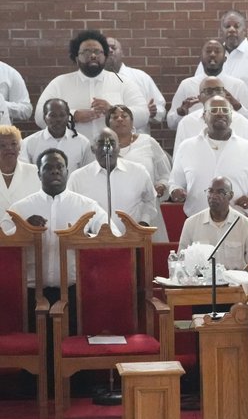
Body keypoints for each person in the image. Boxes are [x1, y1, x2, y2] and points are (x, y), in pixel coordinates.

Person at [7, 148, 107, 297]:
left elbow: (111, 236)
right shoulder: (19, 208)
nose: (55, 171)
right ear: (39, 174)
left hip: (75, 292)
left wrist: (84, 237)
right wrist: (23, 229)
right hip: (29, 294)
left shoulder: (88, 207)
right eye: (48, 167)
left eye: (59, 167)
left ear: (67, 171)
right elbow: (3, 243)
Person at [168, 97, 248, 216]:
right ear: (204, 116)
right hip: (197, 223)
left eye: (225, 110)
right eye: (214, 110)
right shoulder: (186, 147)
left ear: (231, 117)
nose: (220, 113)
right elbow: (175, 183)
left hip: (237, 222)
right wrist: (176, 192)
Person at [37, 30, 146, 140]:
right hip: (73, 152)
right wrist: (73, 116)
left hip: (115, 151)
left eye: (98, 52)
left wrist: (113, 111)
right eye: (86, 52)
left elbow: (144, 115)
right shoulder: (60, 83)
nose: (93, 56)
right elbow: (39, 117)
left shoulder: (123, 82)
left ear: (105, 56)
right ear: (76, 57)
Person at [68, 127, 161, 239]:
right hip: (90, 243)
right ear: (93, 148)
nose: (107, 148)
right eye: (100, 143)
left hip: (132, 241)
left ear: (119, 147)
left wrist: (143, 224)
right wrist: (85, 232)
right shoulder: (78, 177)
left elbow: (150, 200)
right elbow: (71, 208)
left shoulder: (139, 171)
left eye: (112, 143)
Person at [170, 42, 248, 137]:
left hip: (230, 144)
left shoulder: (238, 85)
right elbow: (171, 124)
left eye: (217, 51)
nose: (212, 54)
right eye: (208, 51)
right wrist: (180, 113)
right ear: (201, 58)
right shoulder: (187, 85)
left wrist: (237, 106)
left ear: (225, 59)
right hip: (197, 145)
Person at [178, 177, 248, 271]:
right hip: (202, 283)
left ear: (231, 195)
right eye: (210, 191)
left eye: (220, 192)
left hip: (234, 284)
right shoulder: (191, 224)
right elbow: (181, 262)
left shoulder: (246, 225)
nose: (213, 196)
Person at [172, 75, 248, 149]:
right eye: (208, 91)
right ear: (199, 98)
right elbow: (179, 157)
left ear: (226, 94)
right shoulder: (186, 123)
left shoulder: (242, 122)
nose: (214, 94)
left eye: (218, 90)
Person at [107, 104, 170, 202]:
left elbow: (166, 174)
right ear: (108, 125)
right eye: (114, 117)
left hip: (147, 207)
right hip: (114, 205)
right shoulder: (102, 148)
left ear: (132, 123)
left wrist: (161, 186)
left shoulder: (148, 142)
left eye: (124, 116)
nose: (119, 119)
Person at [103, 37, 164, 129]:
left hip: (138, 139)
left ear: (122, 53)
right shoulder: (93, 80)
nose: (110, 50)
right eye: (105, 48)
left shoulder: (141, 77)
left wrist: (152, 112)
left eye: (114, 48)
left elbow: (160, 110)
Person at [22, 98, 93, 169]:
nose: (58, 119)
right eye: (53, 115)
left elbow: (87, 173)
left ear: (68, 117)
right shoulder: (29, 143)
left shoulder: (82, 143)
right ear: (44, 117)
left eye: (62, 115)